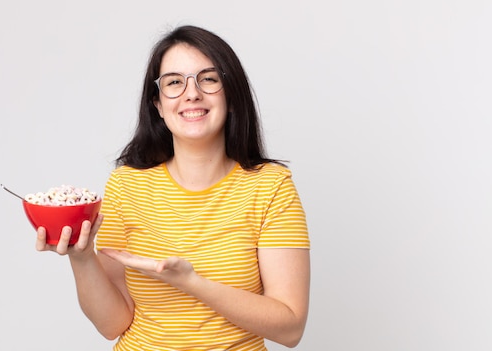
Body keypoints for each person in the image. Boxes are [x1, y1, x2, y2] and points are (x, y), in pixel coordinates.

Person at [36, 25, 311, 350]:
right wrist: (81, 259)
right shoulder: (126, 185)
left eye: (208, 79)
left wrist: (190, 283)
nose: (191, 93)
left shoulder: (270, 187)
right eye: (174, 83)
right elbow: (113, 324)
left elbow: (290, 328)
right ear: (158, 104)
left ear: (232, 96)